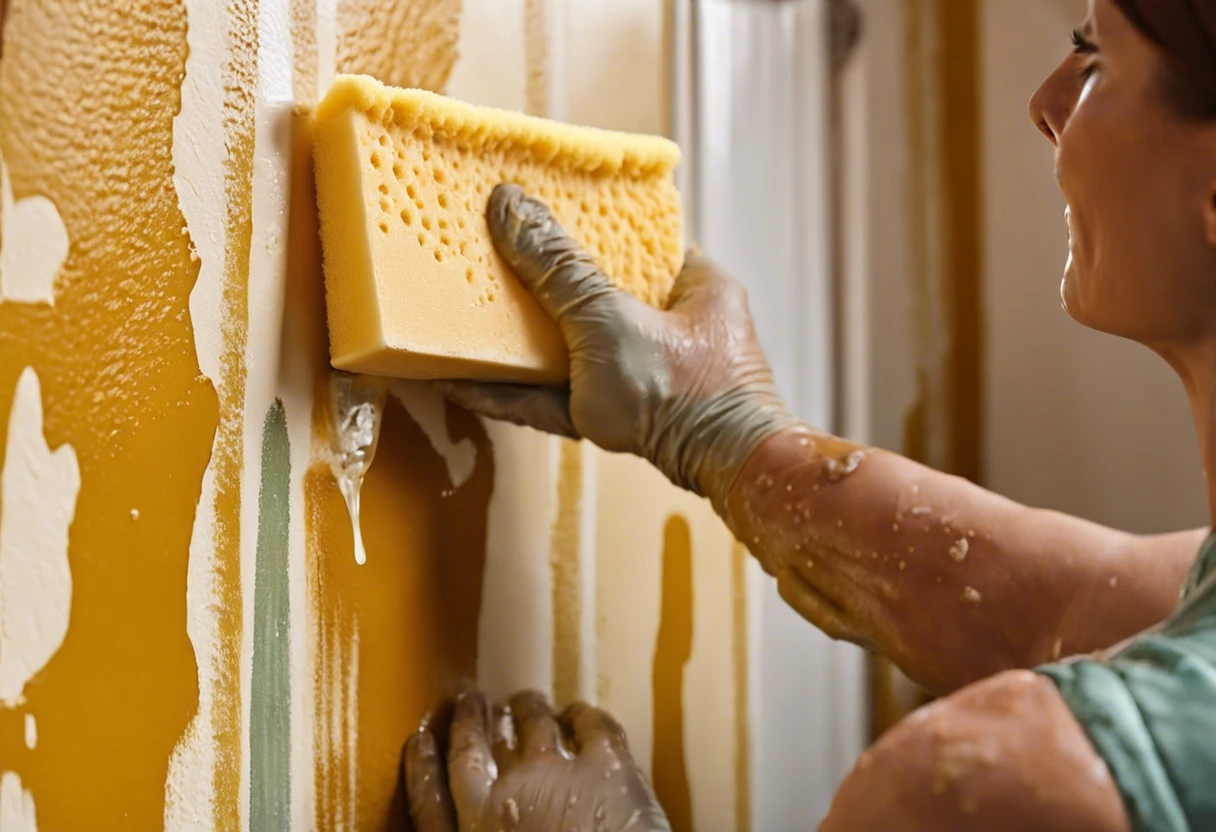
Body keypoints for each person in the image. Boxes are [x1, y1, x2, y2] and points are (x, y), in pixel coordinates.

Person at [404, 0, 1216, 828]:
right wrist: (728, 433)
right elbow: (1069, 611)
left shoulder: (987, 786)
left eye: (1094, 58)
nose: (1046, 101)